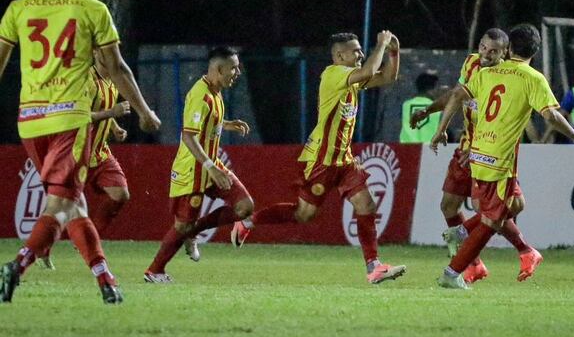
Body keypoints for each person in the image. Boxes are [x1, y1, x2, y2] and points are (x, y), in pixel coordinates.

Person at [0, 0, 161, 304]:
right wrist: (145, 112)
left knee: (74, 206)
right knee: (59, 206)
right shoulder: (93, 9)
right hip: (69, 120)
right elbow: (117, 68)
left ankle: (106, 280)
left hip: (30, 122)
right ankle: (17, 265)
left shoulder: (18, 9)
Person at [231, 31, 406, 284]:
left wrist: (393, 52)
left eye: (360, 50)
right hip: (322, 160)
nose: (360, 54)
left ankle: (374, 267)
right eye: (355, 51)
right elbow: (369, 71)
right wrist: (380, 45)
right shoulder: (334, 74)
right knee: (304, 214)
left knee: (366, 206)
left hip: (344, 160)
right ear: (339, 55)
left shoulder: (351, 79)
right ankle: (250, 221)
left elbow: (388, 76)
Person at [431, 24, 574, 289]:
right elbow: (551, 115)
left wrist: (440, 130)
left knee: (513, 205)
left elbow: (458, 94)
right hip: (499, 161)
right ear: (535, 51)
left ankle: (468, 236)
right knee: (491, 220)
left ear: (509, 49)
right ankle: (452, 271)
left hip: (476, 154)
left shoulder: (487, 73)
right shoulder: (532, 78)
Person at [410, 28, 538, 284]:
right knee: (448, 204)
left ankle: (524, 250)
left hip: (490, 151)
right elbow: (456, 95)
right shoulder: (471, 63)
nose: (485, 55)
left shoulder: (509, 76)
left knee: (501, 209)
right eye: (483, 47)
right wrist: (429, 111)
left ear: (506, 53)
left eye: (493, 51)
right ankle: (475, 264)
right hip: (467, 147)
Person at [144, 47, 254, 283]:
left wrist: (226, 124)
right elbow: (188, 136)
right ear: (218, 69)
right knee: (182, 226)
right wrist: (210, 167)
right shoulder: (200, 94)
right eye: (233, 68)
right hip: (193, 169)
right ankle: (154, 271)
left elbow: (205, 122)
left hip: (211, 165)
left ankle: (193, 234)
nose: (237, 72)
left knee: (244, 206)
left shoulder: (216, 92)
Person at [37, 51, 133, 270]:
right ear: (95, 53)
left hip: (100, 153)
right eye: (105, 49)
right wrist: (111, 113)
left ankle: (90, 238)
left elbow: (102, 110)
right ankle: (42, 249)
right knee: (59, 208)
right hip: (77, 154)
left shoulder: (112, 80)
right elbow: (80, 115)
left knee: (121, 194)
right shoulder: (86, 80)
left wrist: (115, 128)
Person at [399, 71, 441, 143]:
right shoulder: (438, 108)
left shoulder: (405, 105)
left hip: (405, 150)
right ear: (432, 89)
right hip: (429, 150)